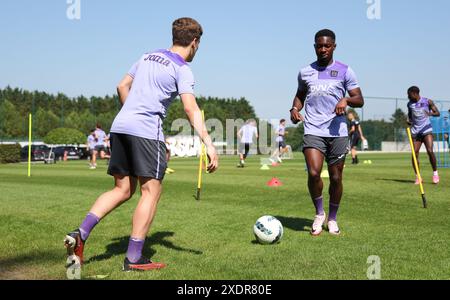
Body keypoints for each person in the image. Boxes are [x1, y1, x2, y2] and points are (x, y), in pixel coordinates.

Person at [64, 17, 219, 271]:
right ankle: (134, 258)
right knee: (151, 192)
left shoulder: (148, 56)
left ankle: (80, 233)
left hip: (120, 126)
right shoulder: (182, 69)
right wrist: (209, 144)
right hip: (145, 132)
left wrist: (132, 114)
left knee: (122, 190)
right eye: (198, 45)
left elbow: (121, 85)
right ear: (194, 42)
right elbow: (190, 108)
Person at [290, 29, 364, 236]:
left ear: (334, 46)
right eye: (319, 45)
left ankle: (332, 218)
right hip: (313, 129)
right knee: (314, 173)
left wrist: (346, 100)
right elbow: (299, 95)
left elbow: (359, 99)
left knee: (336, 178)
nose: (323, 49)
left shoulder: (345, 70)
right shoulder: (305, 72)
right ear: (314, 46)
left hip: (338, 131)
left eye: (327, 45)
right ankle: (319, 213)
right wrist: (295, 109)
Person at [406, 86, 440, 184]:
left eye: (409, 94)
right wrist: (408, 120)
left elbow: (437, 113)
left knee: (429, 150)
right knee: (414, 153)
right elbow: (410, 115)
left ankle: (435, 174)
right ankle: (418, 177)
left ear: (415, 93)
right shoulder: (409, 104)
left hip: (426, 129)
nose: (408, 96)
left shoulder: (427, 101)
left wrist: (430, 114)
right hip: (415, 131)